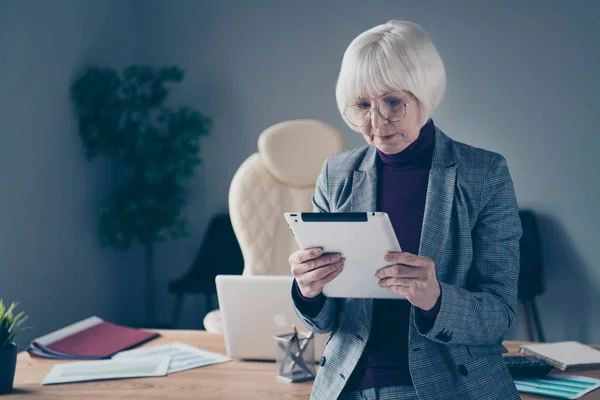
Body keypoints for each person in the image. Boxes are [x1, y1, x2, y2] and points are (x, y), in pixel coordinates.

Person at [288, 20, 522, 400]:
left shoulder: (484, 174)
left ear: (424, 94)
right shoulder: (336, 174)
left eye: (393, 102)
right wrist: (308, 290)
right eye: (362, 105)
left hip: (451, 385)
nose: (377, 122)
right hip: (349, 385)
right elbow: (323, 321)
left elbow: (500, 315)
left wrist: (437, 299)